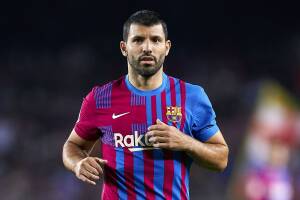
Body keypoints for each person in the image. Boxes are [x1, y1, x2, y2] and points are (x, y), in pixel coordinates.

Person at [62, 10, 229, 200]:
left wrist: (186, 142)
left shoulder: (191, 96)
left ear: (167, 47)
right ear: (124, 47)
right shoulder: (99, 99)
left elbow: (221, 159)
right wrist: (77, 163)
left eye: (156, 40)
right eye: (138, 40)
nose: (147, 48)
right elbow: (73, 145)